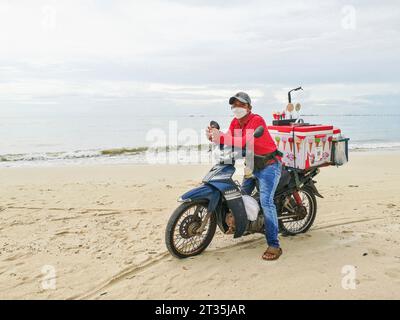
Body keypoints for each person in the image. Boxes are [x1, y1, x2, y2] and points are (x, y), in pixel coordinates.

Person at [206, 92, 283, 261]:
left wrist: (223, 136)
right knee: (239, 196)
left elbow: (243, 142)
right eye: (234, 105)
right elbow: (228, 140)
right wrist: (213, 137)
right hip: (251, 166)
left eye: (241, 105)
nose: (237, 108)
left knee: (266, 202)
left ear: (249, 107)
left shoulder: (257, 121)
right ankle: (243, 224)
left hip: (269, 166)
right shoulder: (235, 122)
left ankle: (274, 245)